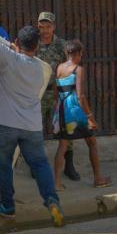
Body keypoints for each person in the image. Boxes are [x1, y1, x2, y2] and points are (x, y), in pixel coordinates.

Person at [0, 18, 65, 227]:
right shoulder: (40, 69)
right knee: (40, 164)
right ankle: (51, 200)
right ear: (37, 46)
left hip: (5, 124)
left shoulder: (8, 59)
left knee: (4, 165)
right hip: (31, 127)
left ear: (16, 42)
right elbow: (23, 61)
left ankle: (7, 206)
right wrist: (15, 50)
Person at [53, 40, 112, 190]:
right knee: (92, 142)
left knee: (62, 146)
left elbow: (56, 92)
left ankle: (57, 183)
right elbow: (80, 96)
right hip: (75, 111)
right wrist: (90, 117)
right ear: (79, 54)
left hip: (62, 110)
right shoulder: (78, 69)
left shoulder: (59, 67)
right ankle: (98, 179)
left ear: (67, 53)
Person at [35, 12, 80, 181]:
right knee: (36, 131)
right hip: (38, 94)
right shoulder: (34, 43)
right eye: (41, 27)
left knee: (65, 130)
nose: (45, 30)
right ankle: (37, 166)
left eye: (48, 27)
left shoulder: (62, 45)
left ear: (54, 27)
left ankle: (69, 166)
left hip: (58, 93)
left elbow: (71, 67)